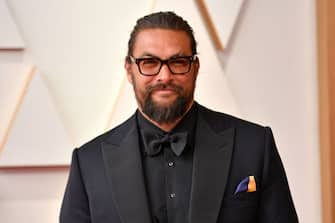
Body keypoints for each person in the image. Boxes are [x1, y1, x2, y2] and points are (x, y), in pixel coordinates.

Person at [60, 11, 299, 223]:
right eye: (149, 62)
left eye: (177, 62)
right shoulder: (89, 162)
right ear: (129, 70)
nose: (164, 76)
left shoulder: (254, 145)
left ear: (194, 67)